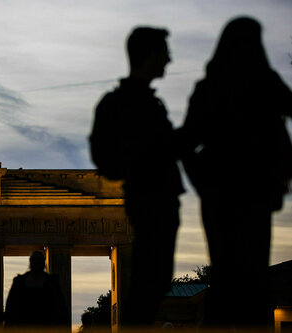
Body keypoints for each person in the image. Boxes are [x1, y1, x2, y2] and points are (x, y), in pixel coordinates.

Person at [180, 16, 292, 328]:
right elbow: (186, 142)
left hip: (240, 194)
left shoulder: (224, 85)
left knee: (243, 272)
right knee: (238, 272)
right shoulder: (260, 83)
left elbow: (185, 141)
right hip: (237, 195)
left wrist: (201, 179)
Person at [89, 27, 183, 326]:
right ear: (149, 55)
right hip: (150, 198)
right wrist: (141, 161)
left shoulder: (142, 101)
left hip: (158, 198)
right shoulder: (125, 103)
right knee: (148, 282)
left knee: (151, 282)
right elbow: (105, 157)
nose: (169, 59)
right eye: (164, 51)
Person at [4, 251, 69, 331]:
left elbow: (60, 307)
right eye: (33, 260)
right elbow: (11, 307)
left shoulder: (52, 282)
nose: (35, 262)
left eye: (38, 260)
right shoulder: (19, 281)